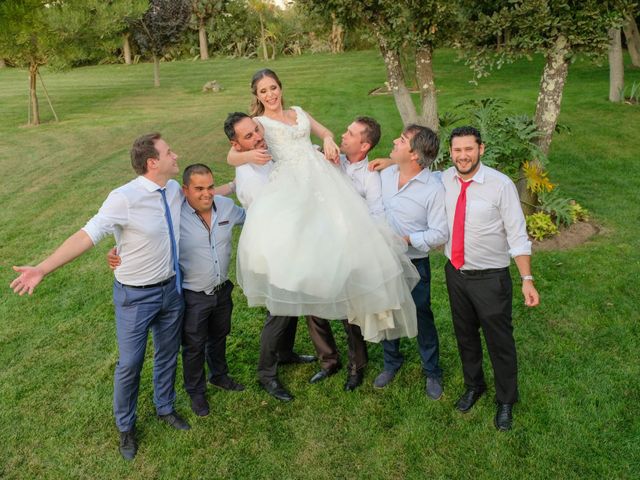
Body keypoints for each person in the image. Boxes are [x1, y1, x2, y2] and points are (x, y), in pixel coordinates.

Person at [10, 133, 190, 461]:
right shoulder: (124, 197)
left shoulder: (174, 190)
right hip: (135, 298)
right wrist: (42, 268)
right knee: (130, 364)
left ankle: (165, 408)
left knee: (167, 354)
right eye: (169, 152)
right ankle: (126, 427)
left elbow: (207, 196)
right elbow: (87, 234)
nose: (176, 155)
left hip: (170, 290)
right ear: (153, 163)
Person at [229, 70, 418, 370]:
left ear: (281, 87)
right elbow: (231, 156)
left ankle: (355, 352)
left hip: (325, 182)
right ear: (257, 96)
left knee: (346, 252)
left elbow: (324, 132)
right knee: (310, 262)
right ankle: (324, 353)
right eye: (263, 91)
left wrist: (329, 140)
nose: (270, 95)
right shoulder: (260, 124)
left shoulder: (299, 112)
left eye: (274, 87)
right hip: (292, 190)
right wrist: (248, 157)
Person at [109, 163, 247, 416]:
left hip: (222, 289)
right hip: (193, 294)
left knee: (219, 336)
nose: (206, 194)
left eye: (210, 187)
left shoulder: (226, 208)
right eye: (198, 189)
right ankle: (196, 392)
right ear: (185, 190)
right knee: (193, 345)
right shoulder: (175, 215)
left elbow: (253, 219)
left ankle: (219, 375)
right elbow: (146, 239)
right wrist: (119, 252)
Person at [443, 126, 539, 431]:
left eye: (469, 149)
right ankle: (474, 385)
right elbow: (415, 169)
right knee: (465, 335)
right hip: (455, 273)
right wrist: (391, 163)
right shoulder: (445, 178)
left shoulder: (500, 185)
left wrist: (527, 278)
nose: (463, 156)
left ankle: (506, 400)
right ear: (451, 153)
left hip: (491, 278)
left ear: (481, 149)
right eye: (457, 150)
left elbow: (517, 234)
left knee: (499, 341)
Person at [370, 125, 449, 400]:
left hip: (415, 262)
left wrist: (408, 239)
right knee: (387, 311)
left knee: (421, 315)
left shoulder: (433, 189)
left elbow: (440, 233)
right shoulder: (386, 174)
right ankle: (391, 362)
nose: (394, 140)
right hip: (384, 259)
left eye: (402, 140)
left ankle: (432, 371)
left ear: (414, 154)